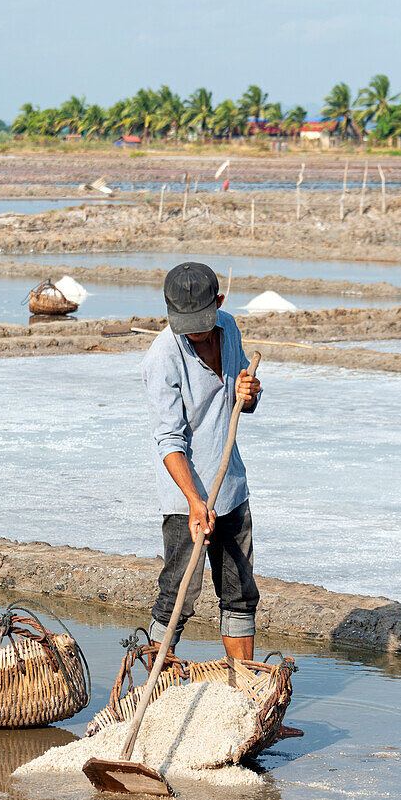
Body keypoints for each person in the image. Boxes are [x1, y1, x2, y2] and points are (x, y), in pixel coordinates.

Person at [141, 262, 262, 660]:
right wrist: (194, 501)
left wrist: (250, 393)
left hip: (230, 488)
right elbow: (169, 440)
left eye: (201, 321)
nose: (194, 331)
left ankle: (248, 700)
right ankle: (158, 697)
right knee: (178, 594)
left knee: (240, 592)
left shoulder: (229, 328)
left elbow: (240, 403)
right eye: (185, 323)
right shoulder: (163, 356)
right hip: (186, 500)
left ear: (219, 304)